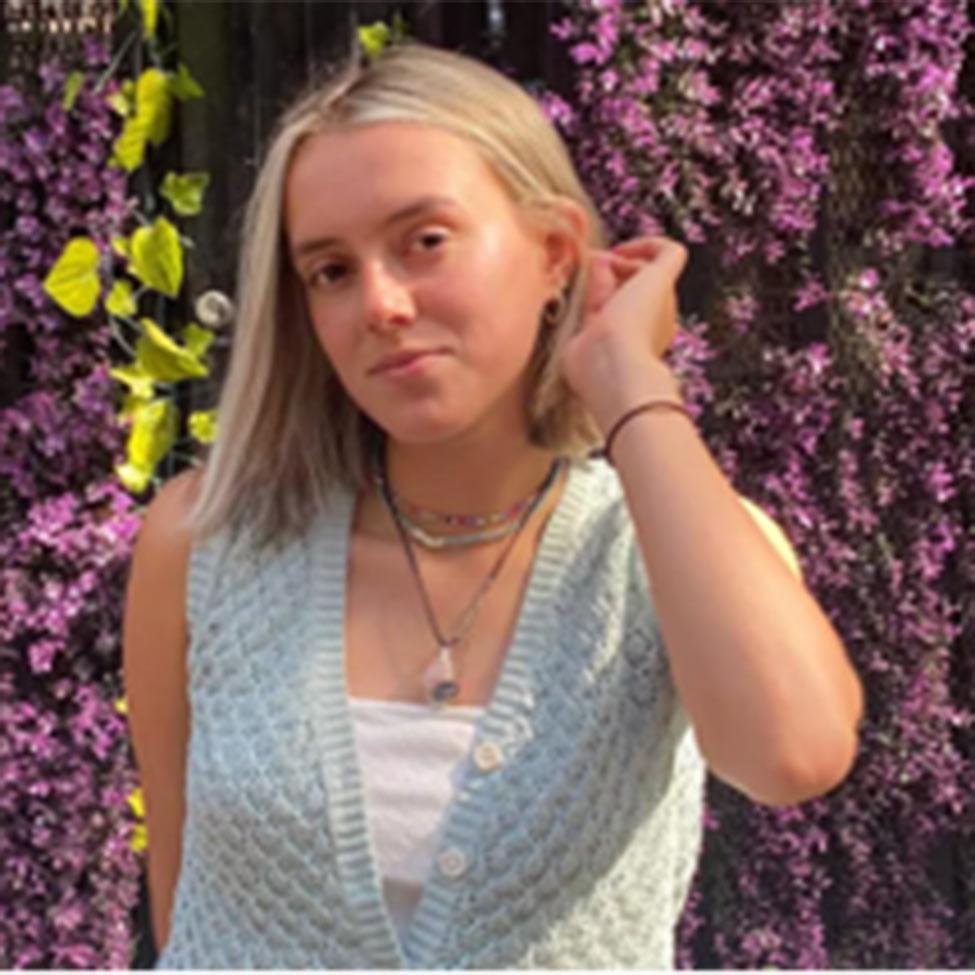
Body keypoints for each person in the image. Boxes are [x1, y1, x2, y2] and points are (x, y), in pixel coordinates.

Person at [122, 40, 864, 970]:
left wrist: (628, 383)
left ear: (554, 252)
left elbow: (792, 754)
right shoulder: (209, 545)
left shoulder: (671, 549)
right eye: (331, 271)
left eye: (424, 241)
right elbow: (186, 909)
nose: (380, 304)